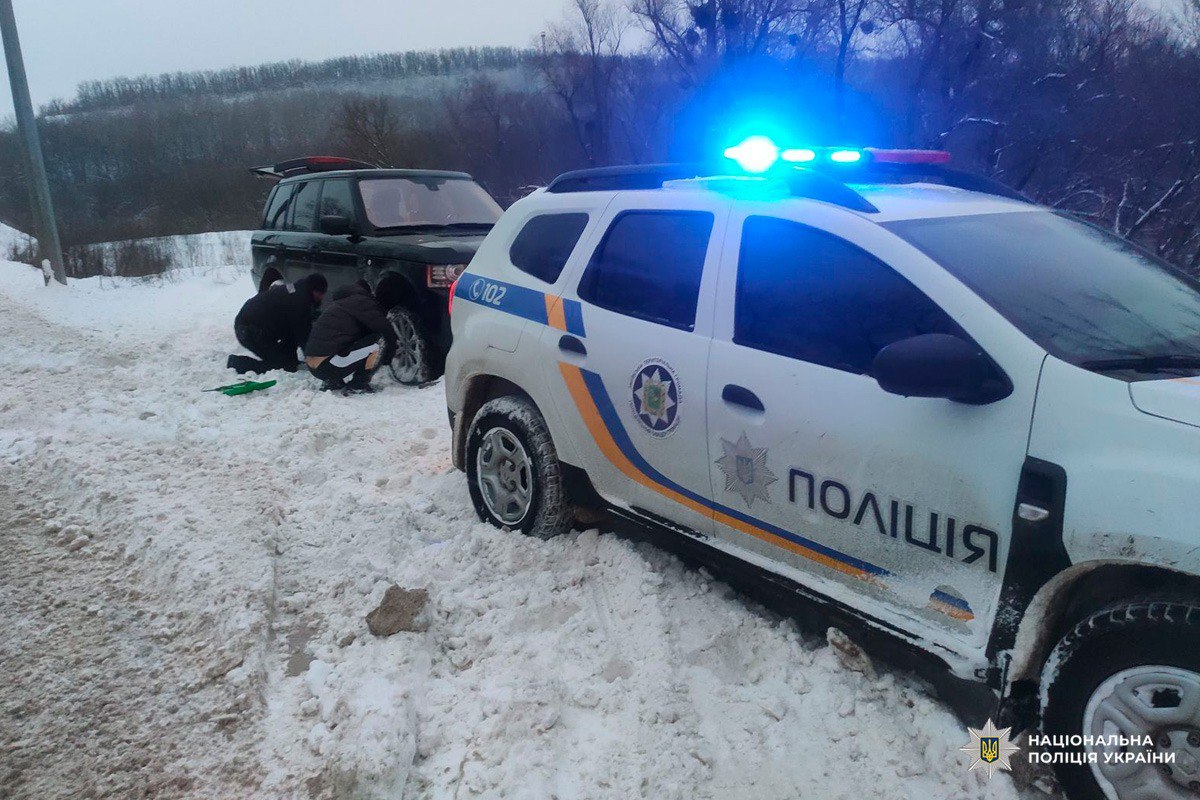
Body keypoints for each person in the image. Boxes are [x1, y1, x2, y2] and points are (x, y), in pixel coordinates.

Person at [304, 281, 396, 395]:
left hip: (313, 366)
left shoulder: (338, 305)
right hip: (330, 365)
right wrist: (388, 356)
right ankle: (359, 384)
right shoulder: (361, 302)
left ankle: (333, 381)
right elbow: (385, 330)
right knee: (379, 341)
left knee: (342, 340)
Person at [227, 273, 327, 374]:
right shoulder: (299, 302)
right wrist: (315, 361)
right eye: (321, 294)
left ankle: (289, 360)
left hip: (257, 325)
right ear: (314, 290)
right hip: (249, 331)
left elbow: (294, 330)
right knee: (280, 366)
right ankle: (237, 363)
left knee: (290, 362)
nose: (322, 298)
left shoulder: (298, 291)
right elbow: (303, 335)